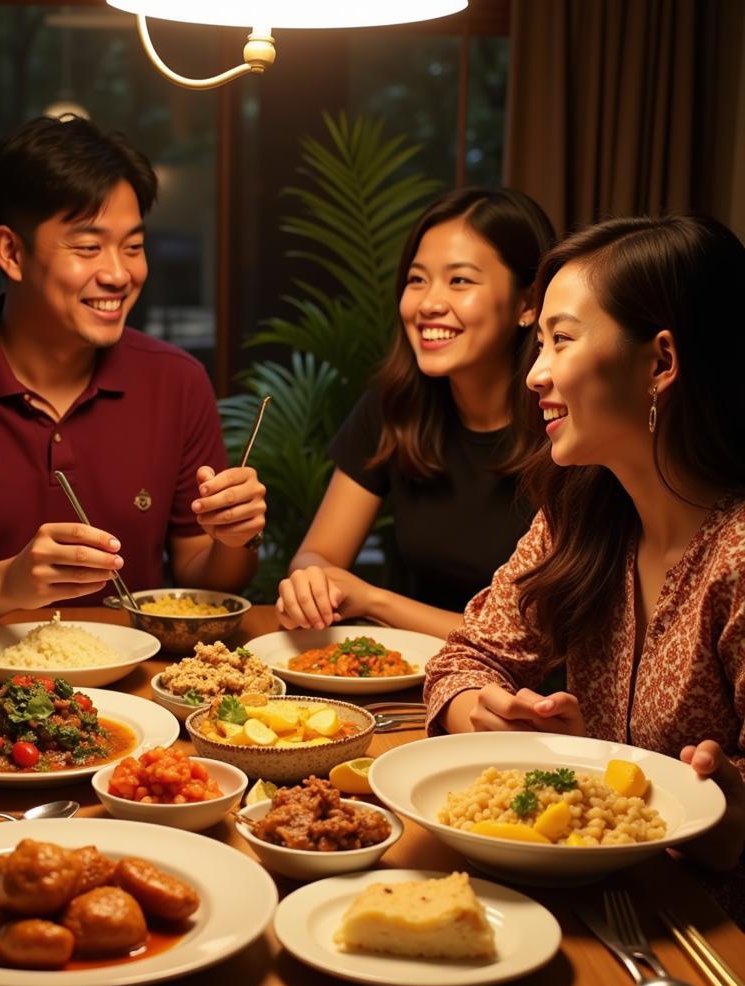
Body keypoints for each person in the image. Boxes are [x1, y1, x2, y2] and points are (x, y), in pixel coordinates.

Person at [0, 115, 266, 718]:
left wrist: (237, 536)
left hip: (135, 712)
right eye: (88, 246)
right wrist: (6, 583)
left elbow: (207, 580)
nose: (120, 273)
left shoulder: (175, 380)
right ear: (11, 252)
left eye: (134, 245)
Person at [423, 214, 745, 876]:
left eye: (561, 341)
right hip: (585, 896)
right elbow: (465, 659)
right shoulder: (578, 514)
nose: (536, 375)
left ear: (660, 361)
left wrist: (730, 817)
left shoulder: (737, 556)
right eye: (538, 343)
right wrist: (489, 716)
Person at [276, 188, 555, 635]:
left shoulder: (566, 426)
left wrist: (374, 600)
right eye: (417, 279)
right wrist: (311, 580)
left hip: (526, 693)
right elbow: (317, 555)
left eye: (459, 281)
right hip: (408, 680)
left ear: (527, 304)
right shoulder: (396, 406)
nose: (427, 304)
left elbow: (536, 638)